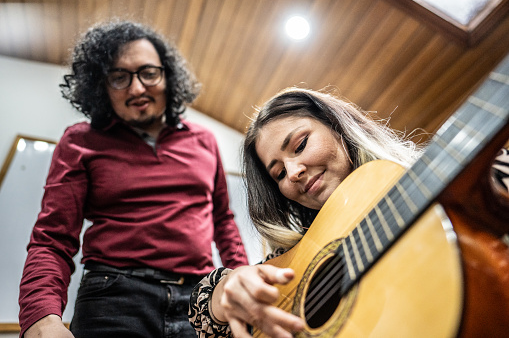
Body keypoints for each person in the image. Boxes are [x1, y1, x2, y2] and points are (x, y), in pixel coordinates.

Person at [188, 87, 509, 338]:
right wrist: (223, 291)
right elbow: (203, 319)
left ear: (338, 128)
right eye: (279, 174)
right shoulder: (295, 257)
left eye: (299, 145)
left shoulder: (444, 177)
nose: (294, 171)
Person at [18, 20, 248, 338]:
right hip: (112, 300)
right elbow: (52, 240)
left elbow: (223, 220)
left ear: (167, 75)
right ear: (101, 86)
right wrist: (41, 318)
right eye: (119, 77)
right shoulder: (79, 140)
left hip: (202, 299)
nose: (137, 88)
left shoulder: (204, 140)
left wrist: (239, 277)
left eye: (148, 73)